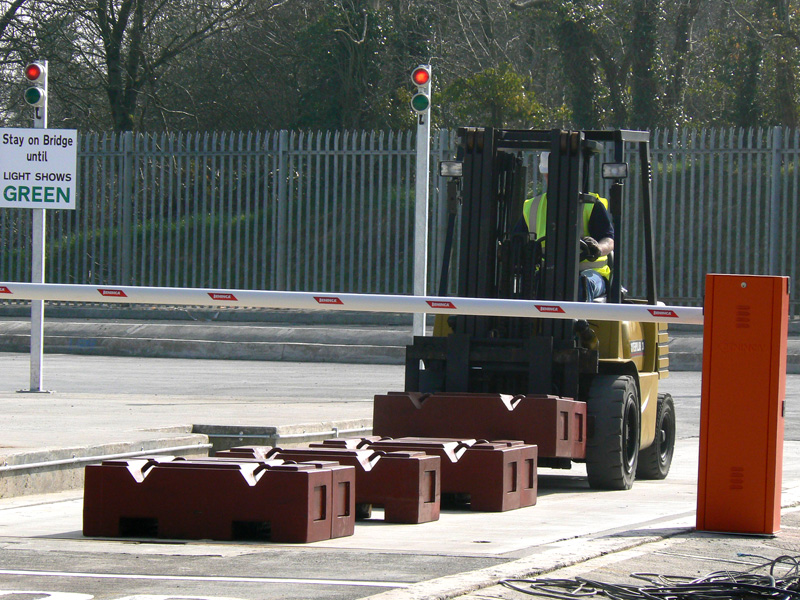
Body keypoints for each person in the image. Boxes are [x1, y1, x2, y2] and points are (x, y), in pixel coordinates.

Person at [521, 151, 614, 301]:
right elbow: (518, 240)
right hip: (548, 272)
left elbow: (609, 240)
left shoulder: (591, 204)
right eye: (549, 175)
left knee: (579, 285)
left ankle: (579, 323)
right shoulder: (533, 206)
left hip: (590, 273)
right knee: (527, 286)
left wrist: (598, 248)